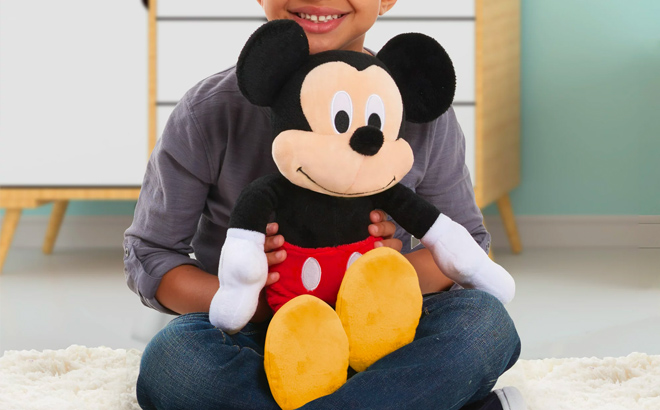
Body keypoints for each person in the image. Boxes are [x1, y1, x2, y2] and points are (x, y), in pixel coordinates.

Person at [124, 1, 524, 409]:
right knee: (175, 361)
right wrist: (250, 298)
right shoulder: (209, 110)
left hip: (386, 332)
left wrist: (391, 275)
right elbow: (152, 254)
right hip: (262, 333)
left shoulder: (418, 110)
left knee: (483, 324)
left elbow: (466, 244)